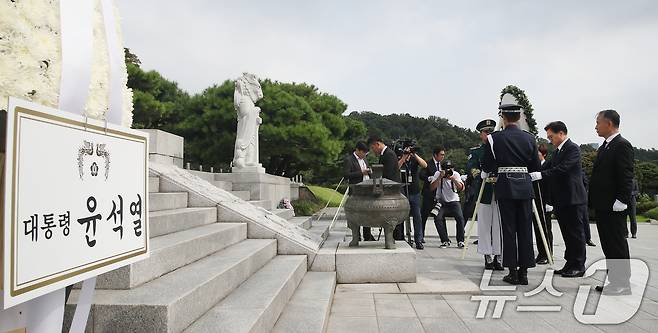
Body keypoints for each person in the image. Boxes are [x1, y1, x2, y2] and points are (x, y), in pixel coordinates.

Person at [482, 95, 541, 285]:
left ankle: (512, 272)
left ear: (503, 118)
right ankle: (524, 273)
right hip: (524, 185)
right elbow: (534, 166)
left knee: (509, 229)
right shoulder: (530, 138)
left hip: (506, 186)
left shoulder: (494, 138)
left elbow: (488, 164)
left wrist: (486, 172)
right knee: (525, 228)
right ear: (518, 117)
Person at [531, 121, 587, 277]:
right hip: (561, 199)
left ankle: (579, 265)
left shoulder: (572, 149)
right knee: (567, 234)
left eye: (551, 136)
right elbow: (545, 167)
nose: (550, 140)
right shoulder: (557, 152)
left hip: (573, 198)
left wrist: (541, 175)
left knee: (576, 234)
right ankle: (570, 263)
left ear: (561, 133)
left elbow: (563, 169)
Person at [590, 109, 633, 296]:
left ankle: (622, 283)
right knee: (608, 244)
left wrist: (622, 199)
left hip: (614, 205)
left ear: (608, 123)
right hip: (603, 205)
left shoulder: (622, 145)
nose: (596, 126)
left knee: (616, 243)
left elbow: (626, 175)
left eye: (598, 122)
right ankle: (614, 280)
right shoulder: (605, 146)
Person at [467, 119, 503, 270]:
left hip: (501, 190)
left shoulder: (502, 148)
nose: (488, 135)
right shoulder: (476, 151)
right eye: (486, 132)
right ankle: (488, 256)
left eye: (491, 132)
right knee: (485, 226)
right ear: (481, 134)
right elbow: (472, 168)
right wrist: (480, 175)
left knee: (500, 226)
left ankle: (500, 257)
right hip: (485, 190)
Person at [369, 137, 404, 240]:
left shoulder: (389, 154)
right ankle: (393, 237)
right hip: (389, 189)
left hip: (392, 190)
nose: (373, 150)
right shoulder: (384, 154)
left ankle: (397, 238)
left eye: (373, 147)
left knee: (394, 216)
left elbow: (387, 175)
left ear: (377, 144)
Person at [429, 159, 466, 248]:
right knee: (438, 218)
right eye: (445, 169)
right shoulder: (438, 174)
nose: (447, 171)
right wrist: (439, 178)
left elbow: (462, 188)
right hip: (441, 202)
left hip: (454, 201)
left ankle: (460, 240)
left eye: (449, 169)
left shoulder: (455, 174)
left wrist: (453, 179)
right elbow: (432, 188)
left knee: (460, 218)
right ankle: (445, 240)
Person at [343, 141, 375, 241]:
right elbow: (346, 175)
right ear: (357, 150)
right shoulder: (349, 160)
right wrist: (361, 172)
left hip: (367, 190)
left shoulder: (364, 159)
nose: (364, 155)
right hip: (356, 191)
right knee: (356, 214)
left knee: (367, 214)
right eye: (363, 153)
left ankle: (367, 235)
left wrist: (369, 172)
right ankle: (356, 236)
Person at [398, 146, 428, 249]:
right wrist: (403, 157)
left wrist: (414, 154)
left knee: (417, 216)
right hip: (402, 191)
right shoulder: (399, 157)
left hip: (414, 191)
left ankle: (418, 240)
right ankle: (400, 237)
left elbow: (424, 165)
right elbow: (396, 168)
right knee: (401, 216)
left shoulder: (415, 159)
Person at [534, 144, 554, 265]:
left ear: (544, 154)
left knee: (546, 229)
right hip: (536, 201)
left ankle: (548, 253)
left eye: (538, 153)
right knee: (537, 229)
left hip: (546, 202)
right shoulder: (534, 166)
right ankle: (541, 253)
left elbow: (551, 185)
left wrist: (550, 202)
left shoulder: (548, 165)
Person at [420, 147, 445, 242]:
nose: (443, 157)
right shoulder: (428, 164)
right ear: (435, 155)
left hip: (439, 193)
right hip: (429, 193)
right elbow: (421, 175)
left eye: (443, 155)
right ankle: (420, 236)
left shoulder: (442, 165)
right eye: (441, 154)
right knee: (424, 215)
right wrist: (429, 178)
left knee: (440, 216)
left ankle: (444, 238)